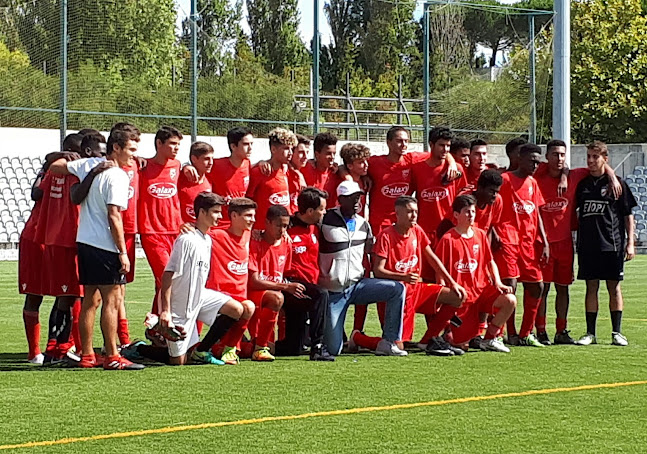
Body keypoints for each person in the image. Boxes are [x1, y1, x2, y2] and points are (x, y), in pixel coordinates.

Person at [49, 123, 144, 370]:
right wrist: (122, 251)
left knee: (91, 300)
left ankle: (88, 355)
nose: (133, 154)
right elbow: (114, 215)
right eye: (131, 149)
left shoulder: (89, 164)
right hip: (105, 245)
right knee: (112, 301)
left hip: (85, 242)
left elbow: (55, 167)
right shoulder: (118, 175)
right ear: (116, 147)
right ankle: (113, 355)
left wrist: (77, 164)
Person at [534, 140, 621, 345]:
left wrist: (613, 177)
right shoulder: (538, 176)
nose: (559, 158)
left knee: (563, 288)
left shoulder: (576, 176)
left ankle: (561, 330)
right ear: (548, 157)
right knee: (542, 288)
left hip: (565, 243)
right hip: (542, 242)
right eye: (555, 154)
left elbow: (599, 164)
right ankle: (540, 330)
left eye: (563, 155)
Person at [365, 196, 467, 355]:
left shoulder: (417, 230)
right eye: (409, 212)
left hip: (417, 290)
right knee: (397, 347)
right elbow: (378, 270)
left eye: (416, 212)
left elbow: (432, 258)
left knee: (457, 296)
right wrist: (403, 277)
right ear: (397, 214)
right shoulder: (386, 236)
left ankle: (428, 341)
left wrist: (452, 282)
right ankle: (359, 338)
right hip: (396, 297)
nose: (414, 216)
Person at [157, 192, 247, 365]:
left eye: (220, 212)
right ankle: (138, 348)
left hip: (199, 298)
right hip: (180, 305)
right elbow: (168, 275)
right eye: (215, 212)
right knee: (178, 361)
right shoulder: (186, 239)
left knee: (236, 309)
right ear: (201, 213)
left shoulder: (207, 239)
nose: (220, 216)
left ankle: (201, 351)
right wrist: (166, 311)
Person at [320, 180, 407, 357]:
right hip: (333, 292)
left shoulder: (363, 224)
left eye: (359, 197)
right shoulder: (324, 220)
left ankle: (389, 342)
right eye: (352, 198)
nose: (357, 202)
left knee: (396, 289)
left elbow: (370, 250)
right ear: (341, 199)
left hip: (357, 286)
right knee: (333, 349)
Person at [436, 195, 517, 353]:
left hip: (482, 292)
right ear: (456, 215)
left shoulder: (480, 235)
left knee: (510, 300)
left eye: (473, 211)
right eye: (467, 212)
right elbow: (439, 268)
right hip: (462, 298)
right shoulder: (448, 239)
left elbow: (490, 262)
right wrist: (443, 293)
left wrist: (498, 283)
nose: (471, 215)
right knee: (461, 344)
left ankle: (490, 338)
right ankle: (452, 333)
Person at [574, 141, 636, 346]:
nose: (591, 161)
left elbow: (628, 215)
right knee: (591, 288)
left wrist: (630, 243)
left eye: (595, 157)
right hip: (588, 246)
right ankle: (590, 333)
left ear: (605, 159)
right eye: (589, 157)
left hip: (612, 245)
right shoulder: (582, 185)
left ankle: (616, 332)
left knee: (614, 288)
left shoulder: (617, 183)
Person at [493, 143, 549, 347]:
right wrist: (494, 232)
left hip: (529, 243)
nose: (535, 165)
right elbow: (492, 206)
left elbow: (536, 213)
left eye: (537, 162)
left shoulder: (533, 183)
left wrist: (544, 241)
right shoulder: (505, 180)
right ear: (519, 159)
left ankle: (526, 333)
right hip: (508, 240)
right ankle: (505, 333)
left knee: (537, 286)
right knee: (510, 286)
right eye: (531, 161)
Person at [279, 187, 333, 361]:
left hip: (307, 286)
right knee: (321, 295)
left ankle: (258, 346)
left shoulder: (315, 228)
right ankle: (318, 347)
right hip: (290, 285)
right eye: (321, 209)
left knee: (292, 348)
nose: (324, 212)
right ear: (310, 211)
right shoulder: (286, 228)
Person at [245, 205, 303, 361]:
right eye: (279, 225)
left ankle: (255, 346)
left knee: (272, 349)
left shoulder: (286, 243)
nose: (283, 230)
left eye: (285, 226)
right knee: (278, 297)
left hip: (271, 296)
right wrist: (285, 287)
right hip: (253, 294)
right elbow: (254, 282)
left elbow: (284, 273)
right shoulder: (254, 243)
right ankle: (259, 347)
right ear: (267, 223)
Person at [411, 126, 468, 280]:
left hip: (450, 230)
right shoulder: (417, 169)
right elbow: (408, 196)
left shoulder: (456, 170)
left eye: (448, 146)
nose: (445, 149)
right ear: (431, 144)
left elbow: (463, 198)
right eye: (441, 145)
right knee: (428, 278)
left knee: (452, 276)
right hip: (425, 231)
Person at [138, 126, 183, 322]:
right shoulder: (142, 166)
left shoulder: (178, 166)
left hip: (175, 230)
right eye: (172, 144)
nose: (176, 148)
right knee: (167, 277)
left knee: (166, 282)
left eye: (178, 145)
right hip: (151, 231)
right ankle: (162, 321)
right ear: (159, 144)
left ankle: (155, 325)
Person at [206, 197, 257, 365]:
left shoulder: (249, 234)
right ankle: (210, 347)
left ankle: (229, 348)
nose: (253, 220)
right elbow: (198, 230)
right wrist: (187, 226)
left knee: (249, 307)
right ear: (234, 216)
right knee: (244, 307)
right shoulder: (216, 235)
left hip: (239, 296)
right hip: (220, 295)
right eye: (248, 216)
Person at [206, 127, 253, 229]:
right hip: (220, 225)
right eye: (245, 144)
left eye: (251, 144)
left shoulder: (247, 164)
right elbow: (198, 166)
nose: (250, 148)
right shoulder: (217, 165)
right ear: (233, 146)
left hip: (241, 223)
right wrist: (187, 166)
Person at [246, 127, 295, 221]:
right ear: (273, 149)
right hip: (262, 229)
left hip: (282, 229)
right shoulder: (260, 171)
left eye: (291, 149)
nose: (290, 153)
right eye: (286, 148)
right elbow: (248, 200)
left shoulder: (286, 170)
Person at [178, 142, 213, 223]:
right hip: (184, 230)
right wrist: (185, 165)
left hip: (203, 230)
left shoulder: (212, 176)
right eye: (206, 159)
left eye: (212, 158)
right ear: (194, 159)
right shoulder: (180, 178)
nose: (211, 162)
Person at [286, 134, 309, 214]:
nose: (305, 156)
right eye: (301, 152)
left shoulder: (308, 168)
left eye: (307, 152)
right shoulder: (284, 170)